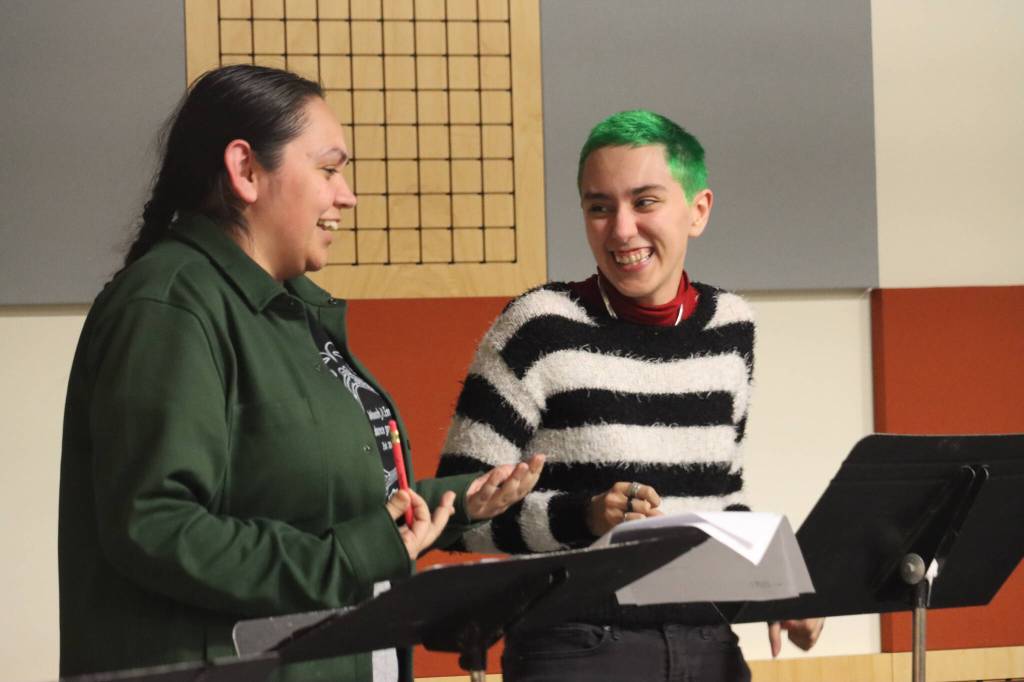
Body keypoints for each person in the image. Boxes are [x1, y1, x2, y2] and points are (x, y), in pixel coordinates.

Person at [58, 64, 543, 682]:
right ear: (246, 171)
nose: (348, 195)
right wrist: (358, 553)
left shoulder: (285, 308)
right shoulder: (170, 306)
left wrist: (448, 502)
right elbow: (157, 525)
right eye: (329, 169)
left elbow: (316, 508)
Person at [436, 109, 823, 681]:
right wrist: (583, 516)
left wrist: (775, 587)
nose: (620, 230)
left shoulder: (733, 327)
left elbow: (715, 504)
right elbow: (453, 513)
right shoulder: (537, 327)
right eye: (599, 207)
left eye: (644, 202)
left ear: (698, 211)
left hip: (707, 638)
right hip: (574, 641)